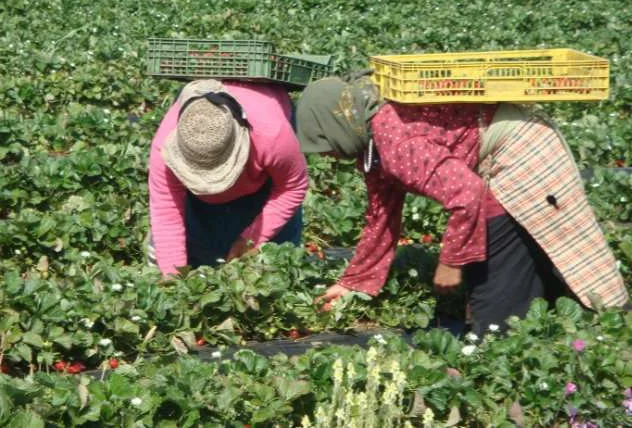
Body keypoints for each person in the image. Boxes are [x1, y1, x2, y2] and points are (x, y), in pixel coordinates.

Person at [295, 74, 629, 335]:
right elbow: (382, 217)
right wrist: (353, 281)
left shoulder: (396, 143)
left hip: (522, 150)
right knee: (524, 256)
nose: (325, 154)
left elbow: (468, 195)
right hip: (499, 154)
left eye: (322, 142)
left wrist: (451, 263)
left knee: (497, 283)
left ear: (336, 123)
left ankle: (600, 327)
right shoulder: (373, 142)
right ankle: (559, 322)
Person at [147, 78, 308, 276]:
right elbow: (167, 213)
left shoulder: (273, 135)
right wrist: (174, 281)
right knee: (199, 245)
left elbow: (292, 188)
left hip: (266, 127)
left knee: (275, 260)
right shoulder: (165, 148)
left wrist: (251, 239)